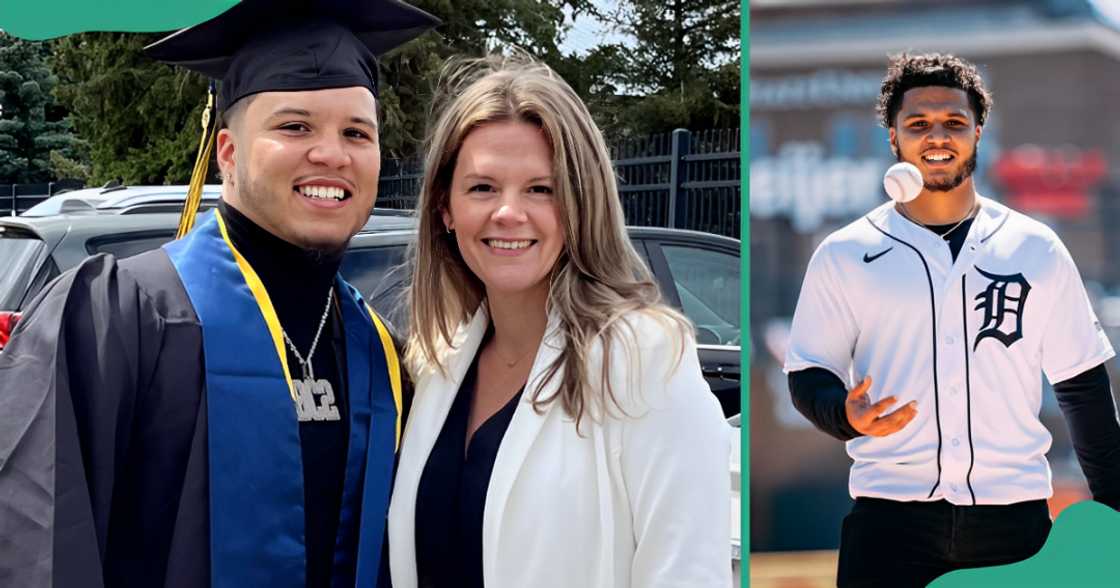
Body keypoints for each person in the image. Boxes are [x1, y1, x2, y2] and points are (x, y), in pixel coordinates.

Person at [0, 1, 437, 586]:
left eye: (356, 132)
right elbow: (38, 544)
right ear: (228, 153)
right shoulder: (117, 317)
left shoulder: (382, 356)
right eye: (294, 126)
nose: (332, 153)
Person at [385, 56, 732, 588]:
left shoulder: (642, 361)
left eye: (540, 189)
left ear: (580, 205)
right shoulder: (438, 364)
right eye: (482, 188)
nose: (508, 212)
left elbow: (686, 573)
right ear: (444, 209)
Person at [785, 52, 1120, 588]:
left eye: (954, 122)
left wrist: (1115, 513)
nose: (936, 136)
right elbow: (807, 373)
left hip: (1014, 525)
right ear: (893, 138)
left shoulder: (1035, 248)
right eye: (917, 124)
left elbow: (1083, 391)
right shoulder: (844, 252)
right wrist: (844, 414)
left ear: (978, 131)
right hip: (891, 524)